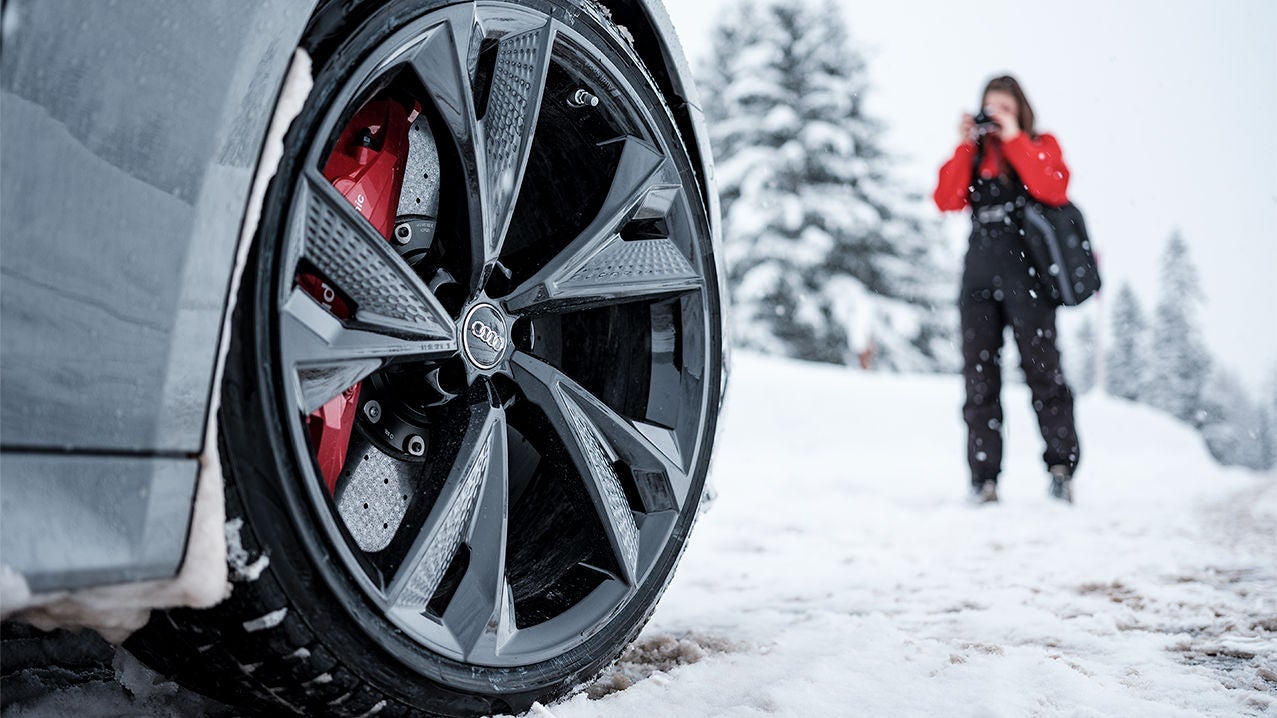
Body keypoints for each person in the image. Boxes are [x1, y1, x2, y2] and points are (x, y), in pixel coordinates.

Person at [933, 75, 1079, 504]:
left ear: (1020, 110)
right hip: (978, 275)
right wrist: (964, 145)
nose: (995, 117)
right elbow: (945, 199)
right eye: (989, 108)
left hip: (1028, 276)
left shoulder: (1039, 144)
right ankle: (984, 478)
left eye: (1004, 108)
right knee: (979, 380)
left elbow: (1052, 186)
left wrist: (1014, 138)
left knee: (1044, 374)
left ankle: (1060, 468)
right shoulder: (975, 156)